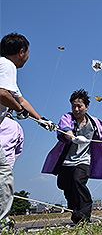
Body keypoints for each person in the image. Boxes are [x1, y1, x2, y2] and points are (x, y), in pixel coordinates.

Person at [0, 33, 56, 222]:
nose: (28, 56)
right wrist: (18, 109)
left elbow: (20, 99)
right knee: (4, 173)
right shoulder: (7, 65)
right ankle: (1, 222)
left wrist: (41, 120)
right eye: (28, 52)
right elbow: (2, 93)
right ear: (21, 52)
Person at [42, 89, 102, 223]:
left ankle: (83, 217)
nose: (76, 109)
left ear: (86, 107)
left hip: (84, 160)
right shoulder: (67, 117)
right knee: (64, 185)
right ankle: (75, 207)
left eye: (79, 106)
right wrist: (73, 137)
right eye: (73, 106)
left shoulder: (94, 122)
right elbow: (65, 129)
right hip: (67, 161)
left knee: (78, 182)